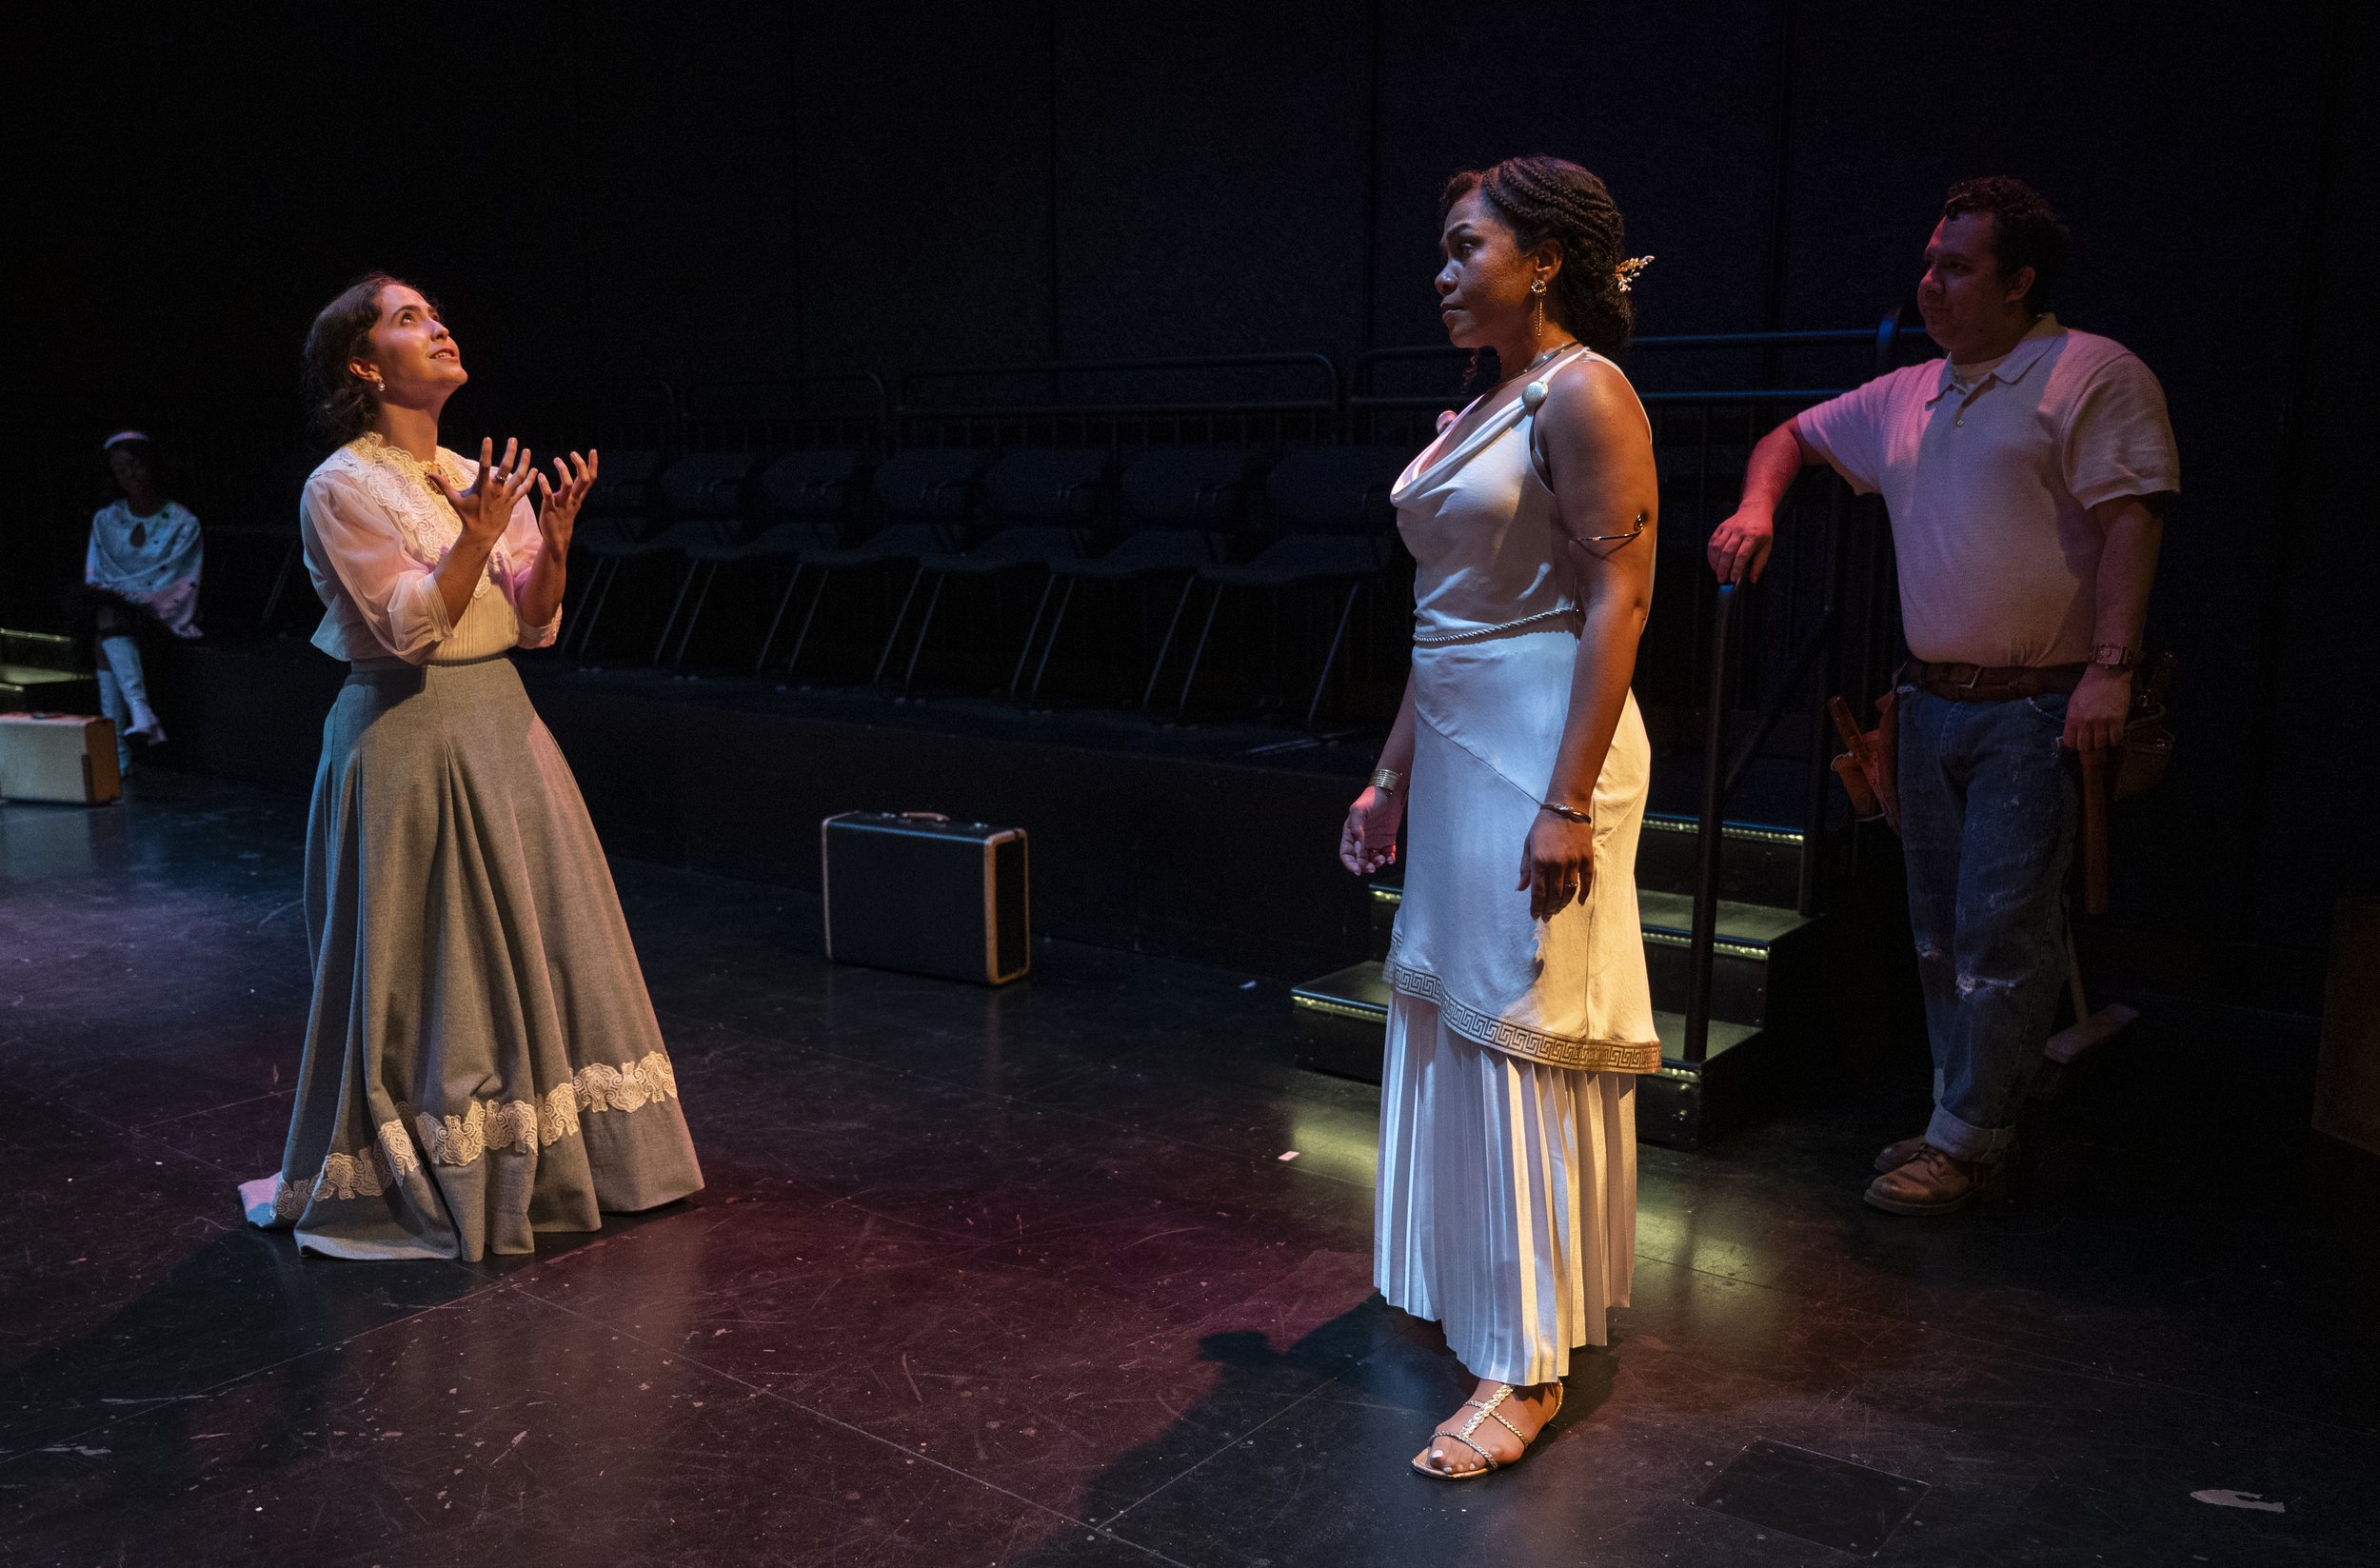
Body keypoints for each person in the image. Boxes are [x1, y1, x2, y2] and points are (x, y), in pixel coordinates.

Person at [1706, 178, 2177, 1216]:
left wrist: (2110, 667)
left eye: (1956, 267)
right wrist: (1757, 507)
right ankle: (1959, 1119)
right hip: (1929, 705)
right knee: (1936, 934)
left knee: (2001, 931)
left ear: (2018, 281)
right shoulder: (1909, 392)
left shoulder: (2089, 373)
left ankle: (1971, 1141)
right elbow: (1791, 436)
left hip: (2035, 705)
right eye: (1928, 262)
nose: (1928, 283)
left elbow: (2132, 519)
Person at [239, 273, 702, 1260]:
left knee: (548, 939)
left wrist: (553, 542)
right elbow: (408, 630)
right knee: (438, 966)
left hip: (505, 724)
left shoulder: (470, 471)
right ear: (364, 365)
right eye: (408, 319)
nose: (439, 327)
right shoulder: (341, 487)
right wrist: (480, 535)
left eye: (437, 314)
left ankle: (576, 1158)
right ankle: (452, 1164)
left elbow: (534, 623)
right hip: (409, 736)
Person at [1341, 156, 1660, 1479]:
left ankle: (1524, 1364)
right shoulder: (1487, 401)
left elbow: (1621, 597)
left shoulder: (1585, 391)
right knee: (1454, 1009)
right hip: (1466, 738)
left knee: (1520, 1025)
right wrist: (1391, 777)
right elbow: (1446, 623)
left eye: (1465, 246)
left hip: (1543, 748)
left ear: (1542, 260)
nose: (1442, 271)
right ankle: (1467, 1282)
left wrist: (1567, 799)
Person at [74, 430, 204, 770]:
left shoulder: (182, 521)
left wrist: (133, 598)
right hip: (113, 613)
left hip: (159, 612)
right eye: (120, 470)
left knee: (107, 629)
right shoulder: (106, 519)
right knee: (107, 622)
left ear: (151, 466)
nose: (130, 476)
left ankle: (119, 751)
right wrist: (118, 597)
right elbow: (96, 573)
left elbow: (179, 579)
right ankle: (138, 714)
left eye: (135, 466)